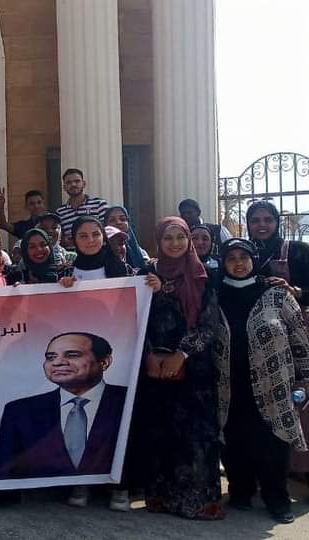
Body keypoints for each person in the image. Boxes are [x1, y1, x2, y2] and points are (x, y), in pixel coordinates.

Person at [129, 217, 226, 520]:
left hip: (193, 371)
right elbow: (134, 317)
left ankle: (199, 502)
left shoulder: (203, 275)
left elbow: (209, 324)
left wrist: (181, 354)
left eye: (180, 238)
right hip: (154, 368)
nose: (175, 244)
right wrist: (148, 354)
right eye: (168, 238)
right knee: (160, 432)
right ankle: (161, 497)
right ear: (158, 241)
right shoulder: (146, 274)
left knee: (195, 436)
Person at [215, 238, 308, 524]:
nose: (238, 264)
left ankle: (276, 499)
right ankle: (241, 490)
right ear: (223, 263)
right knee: (234, 437)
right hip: (229, 383)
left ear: (254, 260)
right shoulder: (215, 295)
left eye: (244, 257)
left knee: (273, 440)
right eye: (231, 258)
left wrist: (304, 379)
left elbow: (299, 339)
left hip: (273, 383)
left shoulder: (276, 294)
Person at [0, 333, 129, 510]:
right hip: (42, 510)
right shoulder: (19, 411)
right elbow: (6, 468)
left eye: (72, 355)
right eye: (51, 357)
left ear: (104, 362)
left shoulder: (131, 401)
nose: (57, 362)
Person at [247, 201, 309, 475]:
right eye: (255, 220)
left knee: (300, 399)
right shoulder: (243, 253)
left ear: (276, 222)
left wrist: (296, 291)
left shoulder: (297, 251)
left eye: (267, 220)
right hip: (259, 343)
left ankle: (301, 466)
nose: (261, 225)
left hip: (297, 337)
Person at [59, 217, 129, 287]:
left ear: (103, 237)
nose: (90, 240)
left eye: (95, 234)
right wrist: (62, 286)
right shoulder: (67, 273)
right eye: (83, 236)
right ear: (74, 239)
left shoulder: (123, 268)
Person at [55, 168, 109, 236]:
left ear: (84, 184)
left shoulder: (99, 205)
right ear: (64, 187)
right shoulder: (60, 212)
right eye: (69, 182)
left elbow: (108, 231)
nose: (73, 184)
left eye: (77, 181)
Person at [103, 206, 148, 271]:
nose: (118, 222)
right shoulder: (99, 253)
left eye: (123, 219)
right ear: (105, 224)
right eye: (112, 220)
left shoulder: (141, 253)